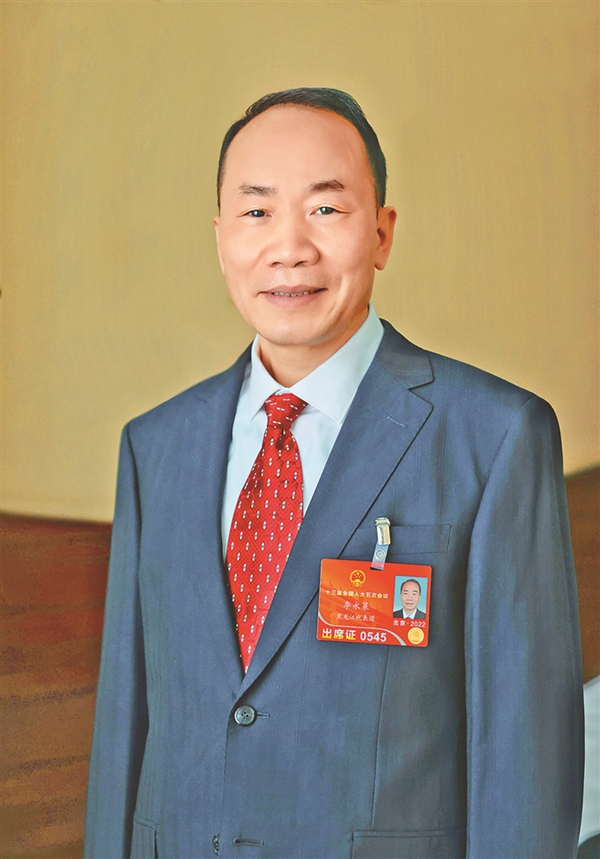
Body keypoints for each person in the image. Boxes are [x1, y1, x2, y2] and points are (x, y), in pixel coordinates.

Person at [84, 88, 584, 859]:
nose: (289, 247)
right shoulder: (155, 447)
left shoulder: (495, 437)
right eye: (257, 211)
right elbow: (125, 731)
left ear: (381, 232)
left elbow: (524, 759)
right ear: (220, 238)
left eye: (325, 208)